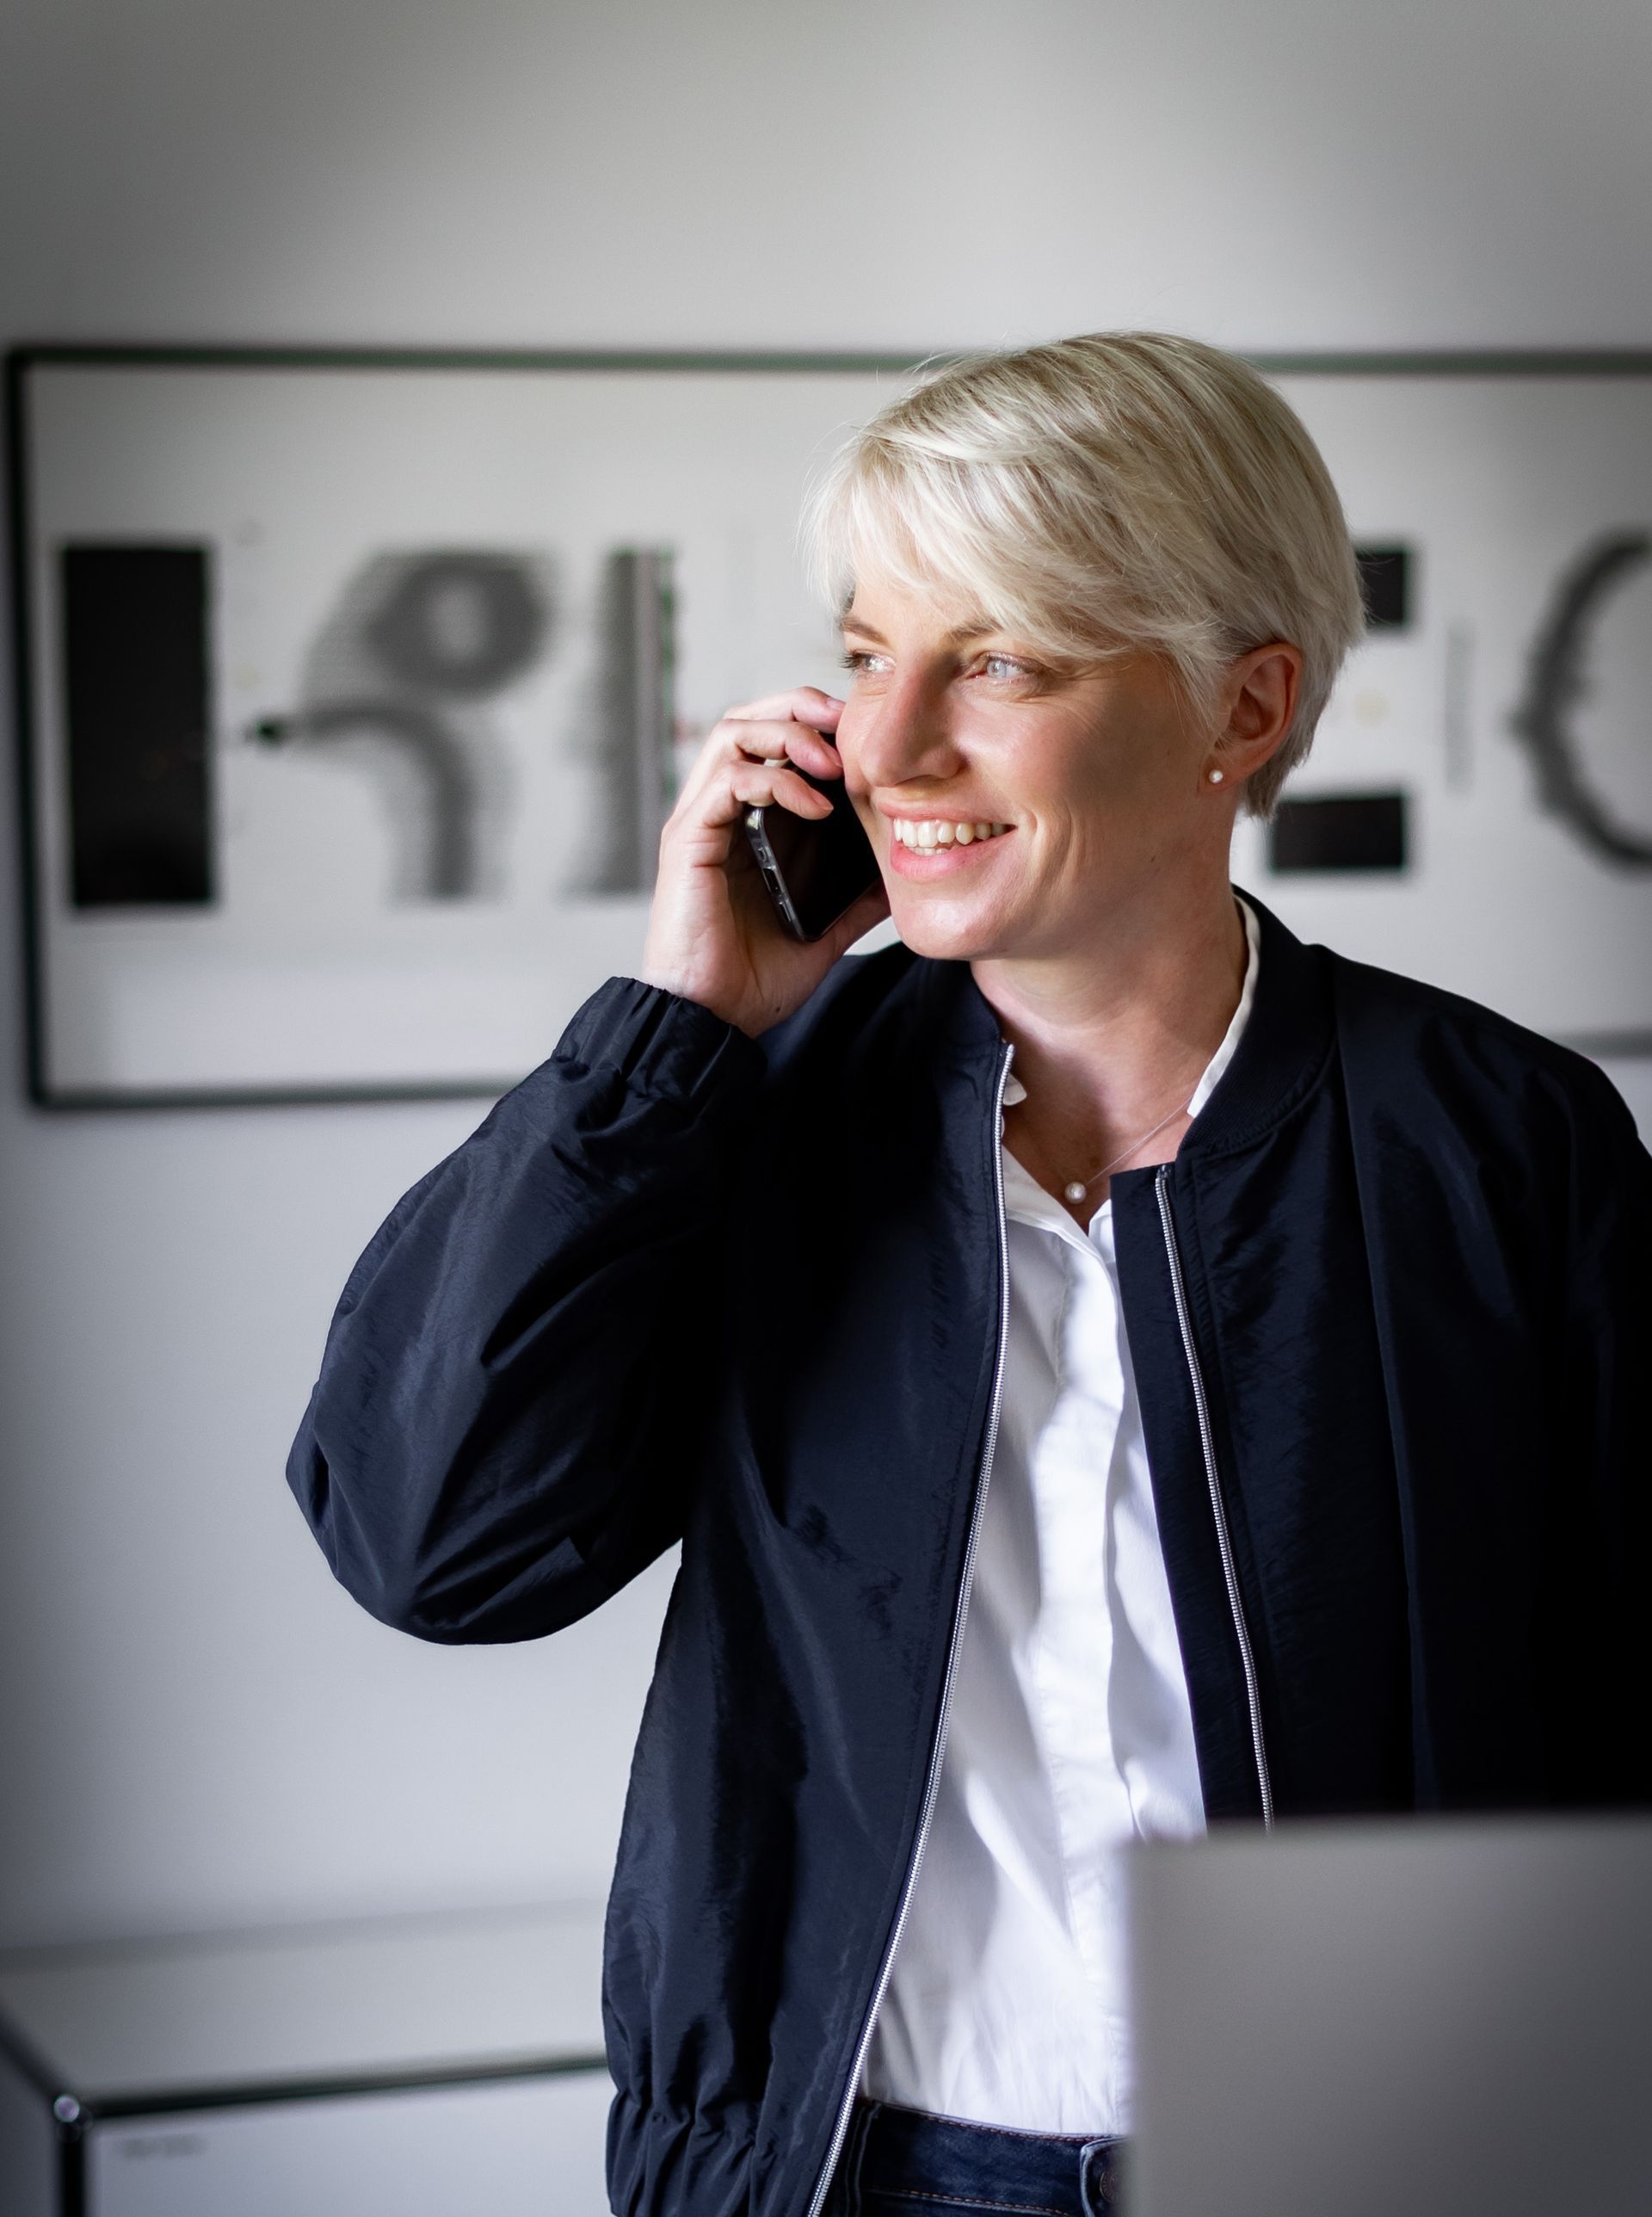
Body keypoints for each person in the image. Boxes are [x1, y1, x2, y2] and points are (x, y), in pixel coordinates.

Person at [287, 334, 1651, 2217]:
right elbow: (430, 1539)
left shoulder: (1497, 1141)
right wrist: (673, 1028)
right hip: (856, 2169)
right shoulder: (739, 1115)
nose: (893, 743)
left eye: (999, 660)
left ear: (1240, 708)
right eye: (866, 653)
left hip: (1368, 2155)